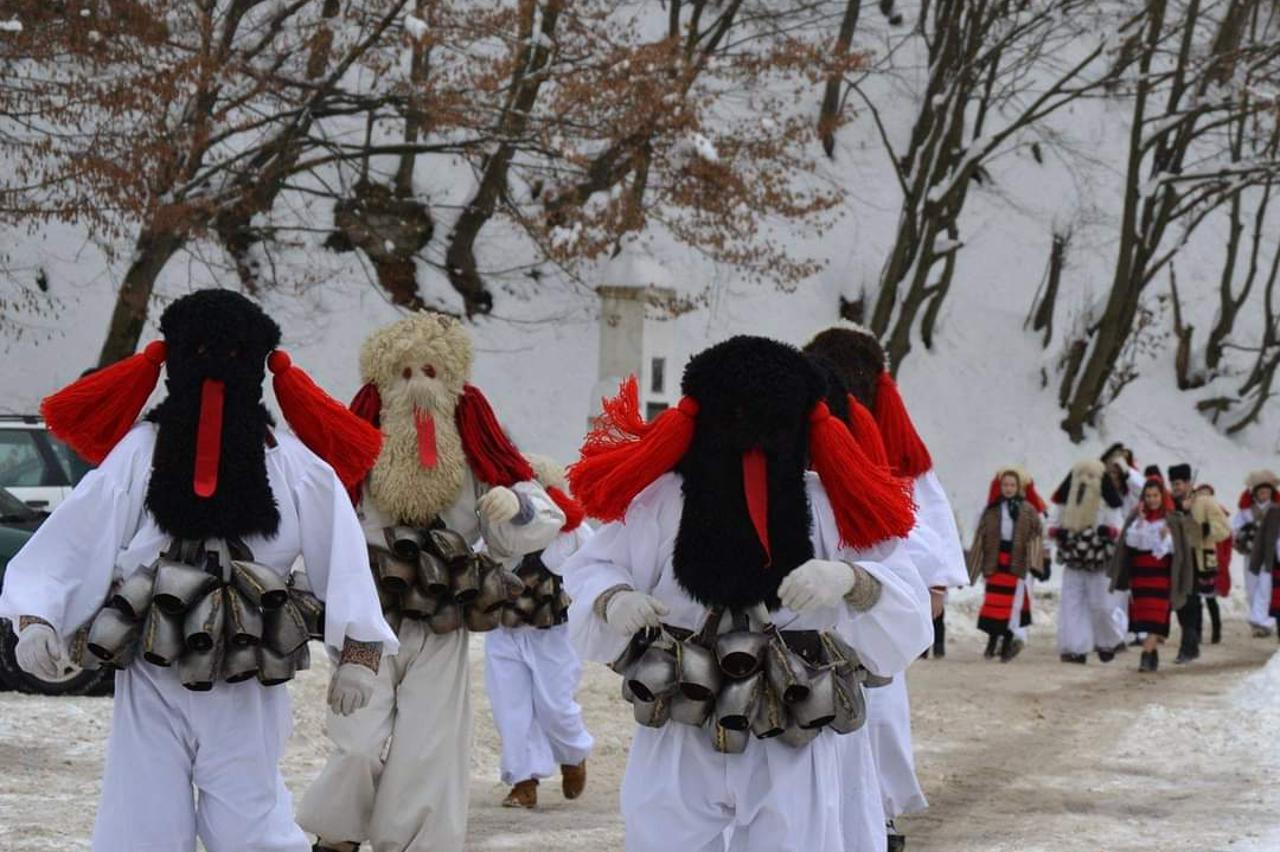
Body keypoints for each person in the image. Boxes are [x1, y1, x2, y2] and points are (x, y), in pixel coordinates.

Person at [0, 289, 397, 851]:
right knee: (141, 817)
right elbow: (81, 532)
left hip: (248, 671)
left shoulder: (291, 462)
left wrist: (358, 651)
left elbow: (342, 551)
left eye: (232, 358)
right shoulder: (143, 451)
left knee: (251, 821)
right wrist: (37, 615)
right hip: (150, 663)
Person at [560, 337, 932, 852]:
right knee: (665, 833)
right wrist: (613, 598)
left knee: (794, 838)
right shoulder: (665, 500)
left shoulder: (828, 506)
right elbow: (592, 566)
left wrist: (852, 580)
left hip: (796, 712)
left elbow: (904, 594)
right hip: (681, 705)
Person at [299, 314, 566, 852]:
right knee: (356, 737)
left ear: (451, 380)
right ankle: (336, 836)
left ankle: (413, 844)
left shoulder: (473, 446)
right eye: (402, 372)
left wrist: (512, 506)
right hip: (366, 616)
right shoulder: (359, 445)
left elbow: (534, 514)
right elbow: (319, 514)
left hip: (444, 612)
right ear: (380, 381)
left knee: (429, 745)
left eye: (429, 370)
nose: (417, 383)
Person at [804, 325, 969, 851]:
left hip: (874, 595)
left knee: (878, 707)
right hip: (814, 595)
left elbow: (920, 514)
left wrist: (931, 580)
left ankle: (882, 812)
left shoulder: (889, 448)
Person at [483, 454, 594, 809]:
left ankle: (573, 754)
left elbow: (597, 569)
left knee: (554, 705)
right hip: (504, 630)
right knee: (510, 708)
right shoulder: (499, 529)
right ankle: (523, 780)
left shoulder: (574, 531)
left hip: (554, 633)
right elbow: (475, 558)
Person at [1109, 478, 1195, 672]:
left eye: (1155, 495)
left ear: (1162, 496)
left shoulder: (1172, 518)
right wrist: (1139, 523)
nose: (1152, 500)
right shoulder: (1136, 517)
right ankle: (1152, 652)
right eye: (1148, 496)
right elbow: (1129, 544)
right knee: (1146, 615)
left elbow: (1179, 550)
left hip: (1161, 573)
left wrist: (1167, 537)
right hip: (1140, 574)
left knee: (1158, 612)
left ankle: (1147, 654)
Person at [1049, 459, 1126, 664]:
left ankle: (1108, 641)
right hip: (1073, 559)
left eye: (1091, 476)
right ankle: (1075, 648)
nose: (1085, 480)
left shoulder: (1107, 502)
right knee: (1071, 604)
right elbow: (1052, 523)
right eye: (1080, 475)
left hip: (1099, 561)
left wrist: (1108, 532)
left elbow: (1118, 527)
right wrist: (1058, 533)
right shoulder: (1065, 501)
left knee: (1102, 605)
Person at [968, 467, 1047, 662]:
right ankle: (992, 641)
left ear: (1019, 487)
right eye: (1005, 485)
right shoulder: (992, 510)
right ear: (1000, 486)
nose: (1008, 488)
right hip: (995, 561)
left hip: (1016, 563)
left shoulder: (1028, 510)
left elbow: (1036, 534)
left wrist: (1036, 562)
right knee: (993, 604)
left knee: (1012, 606)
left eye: (1012, 485)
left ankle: (1007, 644)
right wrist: (973, 567)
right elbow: (980, 537)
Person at [1174, 475, 1231, 657]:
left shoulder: (1205, 502)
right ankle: (1191, 640)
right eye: (1173, 483)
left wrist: (1203, 529)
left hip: (1199, 559)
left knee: (1197, 600)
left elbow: (1223, 529)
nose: (1176, 487)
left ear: (1188, 484)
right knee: (1183, 603)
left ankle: (1192, 642)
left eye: (1179, 483)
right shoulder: (1168, 502)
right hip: (1178, 560)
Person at [1233, 470, 1280, 638]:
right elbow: (1236, 528)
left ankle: (1265, 620)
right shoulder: (1246, 511)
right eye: (1261, 492)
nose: (1264, 495)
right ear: (1255, 493)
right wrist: (1242, 536)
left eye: (1267, 492)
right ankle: (1257, 620)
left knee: (1266, 588)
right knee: (1252, 587)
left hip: (1271, 554)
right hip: (1252, 554)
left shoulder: (1276, 509)